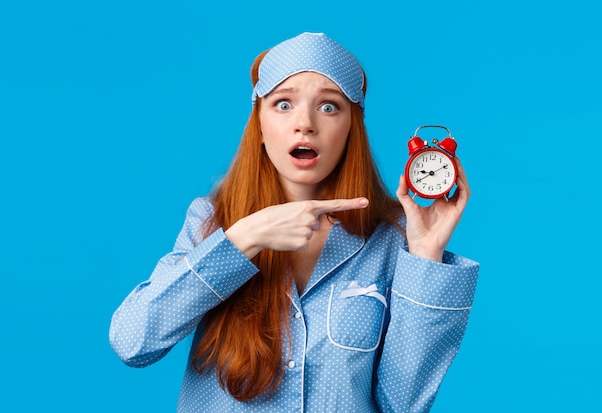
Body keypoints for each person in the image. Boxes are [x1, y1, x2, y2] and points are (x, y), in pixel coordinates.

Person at [109, 32, 479, 412]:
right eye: (283, 104)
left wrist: (426, 254)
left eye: (329, 107)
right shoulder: (211, 220)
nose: (305, 123)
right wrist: (243, 239)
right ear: (260, 127)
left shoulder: (390, 239)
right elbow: (132, 342)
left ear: (352, 128)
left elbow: (403, 404)